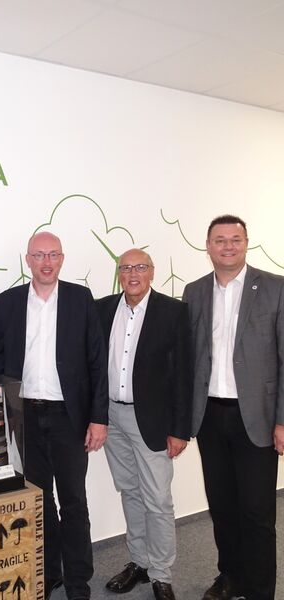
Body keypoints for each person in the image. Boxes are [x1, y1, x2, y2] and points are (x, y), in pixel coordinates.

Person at [0, 231, 108, 600]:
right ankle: (49, 572)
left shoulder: (80, 299)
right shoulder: (8, 302)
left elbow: (97, 362)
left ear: (61, 259)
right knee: (39, 498)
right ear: (28, 260)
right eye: (39, 255)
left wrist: (99, 418)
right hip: (25, 416)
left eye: (53, 255)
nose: (46, 262)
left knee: (74, 501)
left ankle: (78, 581)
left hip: (70, 417)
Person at [183, 215, 284, 600]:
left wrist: (282, 420)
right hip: (210, 415)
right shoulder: (194, 291)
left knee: (257, 513)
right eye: (220, 240)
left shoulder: (275, 288)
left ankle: (259, 590)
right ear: (207, 246)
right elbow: (190, 358)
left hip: (256, 417)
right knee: (222, 506)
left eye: (235, 239)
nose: (228, 246)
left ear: (246, 243)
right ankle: (231, 576)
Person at [96, 248, 192, 600]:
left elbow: (183, 374)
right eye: (126, 268)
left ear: (152, 272)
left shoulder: (173, 312)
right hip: (112, 417)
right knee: (130, 491)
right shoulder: (103, 309)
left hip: (152, 420)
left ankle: (161, 573)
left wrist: (180, 429)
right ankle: (139, 562)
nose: (132, 274)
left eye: (140, 267)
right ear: (119, 273)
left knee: (158, 499)